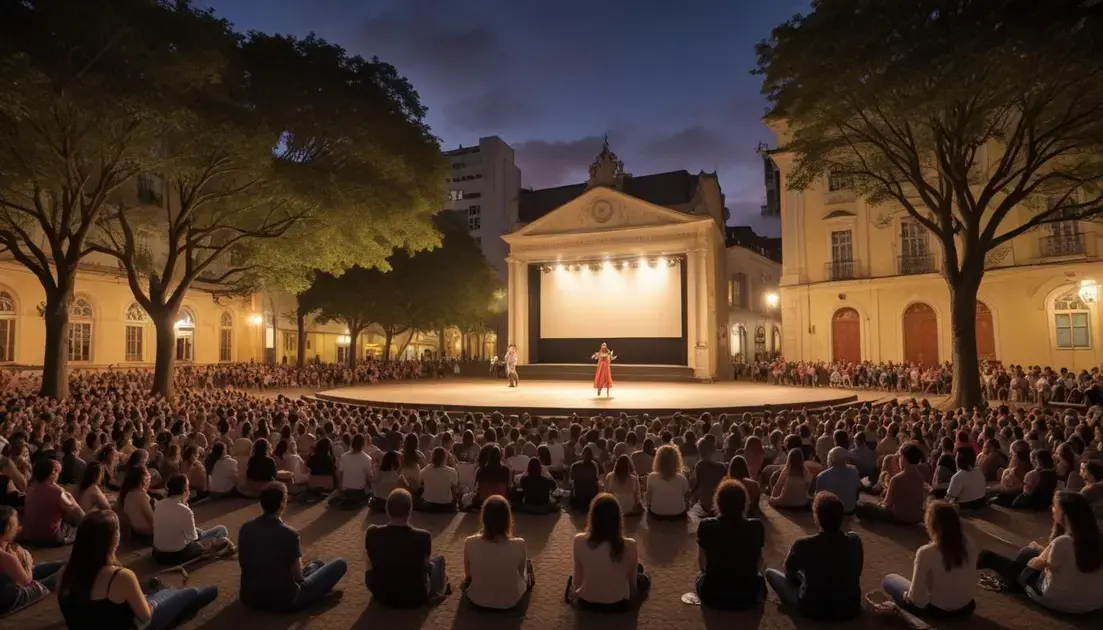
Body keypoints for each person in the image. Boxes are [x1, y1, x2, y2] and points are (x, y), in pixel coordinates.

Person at [56, 510, 218, 630]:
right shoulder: (120, 576)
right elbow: (146, 617)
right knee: (195, 593)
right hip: (138, 624)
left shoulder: (65, 573)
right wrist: (151, 603)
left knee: (160, 591)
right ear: (113, 539)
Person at [977, 490, 1103, 614]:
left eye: (1055, 507)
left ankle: (993, 566)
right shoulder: (1096, 538)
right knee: (1030, 551)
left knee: (1015, 557)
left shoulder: (1062, 543)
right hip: (1093, 602)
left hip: (1060, 601)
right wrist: (1041, 550)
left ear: (1064, 514)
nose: (1051, 509)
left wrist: (1041, 553)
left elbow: (1033, 564)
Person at [238, 482, 347, 612]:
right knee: (340, 564)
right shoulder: (289, 534)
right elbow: (298, 577)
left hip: (250, 598)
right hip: (285, 600)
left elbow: (244, 562)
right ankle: (319, 594)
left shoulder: (246, 528)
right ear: (282, 504)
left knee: (317, 564)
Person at [765, 491, 863, 621]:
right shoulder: (854, 541)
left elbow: (789, 571)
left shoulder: (803, 544)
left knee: (770, 573)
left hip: (812, 609)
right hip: (850, 608)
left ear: (816, 517)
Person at [880, 501, 977, 618]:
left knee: (889, 580)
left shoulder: (927, 552)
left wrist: (906, 596)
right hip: (966, 607)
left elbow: (915, 598)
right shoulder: (970, 543)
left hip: (937, 610)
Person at [364, 488, 449, 607]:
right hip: (416, 597)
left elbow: (370, 559)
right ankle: (437, 590)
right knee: (439, 561)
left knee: (371, 559)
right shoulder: (423, 536)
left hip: (382, 596)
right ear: (410, 510)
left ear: (387, 509)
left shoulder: (372, 532)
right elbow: (425, 564)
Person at [568, 493, 650, 612]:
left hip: (587, 603)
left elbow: (577, 582)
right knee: (642, 576)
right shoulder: (630, 544)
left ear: (593, 517)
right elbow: (632, 585)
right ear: (618, 518)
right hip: (619, 604)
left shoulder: (579, 540)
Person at [695, 480, 766, 610]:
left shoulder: (706, 525)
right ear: (744, 503)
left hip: (713, 596)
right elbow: (759, 562)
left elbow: (702, 562)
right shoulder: (756, 526)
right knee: (762, 575)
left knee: (699, 577)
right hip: (748, 597)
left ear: (718, 502)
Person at [462, 496, 534, 610]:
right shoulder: (520, 544)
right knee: (527, 566)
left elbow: (468, 576)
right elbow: (520, 575)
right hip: (511, 601)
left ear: (484, 518)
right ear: (507, 519)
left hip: (478, 599)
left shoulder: (469, 542)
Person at [152, 475, 233, 566]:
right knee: (222, 534)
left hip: (158, 553)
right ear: (185, 490)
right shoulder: (185, 511)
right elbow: (192, 538)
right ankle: (209, 550)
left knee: (217, 530)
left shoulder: (159, 504)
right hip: (177, 555)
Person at [0, 505, 63, 615]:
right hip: (10, 598)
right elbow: (27, 582)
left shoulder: (6, 549)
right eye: (16, 524)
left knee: (62, 564)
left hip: (7, 587)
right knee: (63, 572)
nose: (19, 527)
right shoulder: (6, 557)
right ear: (8, 528)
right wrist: (27, 560)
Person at [855, 443, 925, 524]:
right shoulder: (920, 477)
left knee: (863, 506)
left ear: (904, 458)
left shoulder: (897, 479)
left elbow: (887, 504)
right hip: (915, 517)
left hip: (899, 517)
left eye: (900, 456)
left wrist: (878, 505)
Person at [21, 458, 83, 545]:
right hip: (50, 538)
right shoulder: (57, 492)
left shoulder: (30, 489)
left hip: (30, 535)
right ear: (53, 472)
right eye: (58, 472)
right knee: (78, 529)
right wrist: (70, 497)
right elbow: (77, 513)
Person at [646, 444, 690, 519]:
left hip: (657, 513)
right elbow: (686, 498)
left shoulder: (651, 477)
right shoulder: (682, 478)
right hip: (678, 513)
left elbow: (649, 498)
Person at [815, 447, 861, 514]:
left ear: (830, 459)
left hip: (830, 512)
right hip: (850, 509)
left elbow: (819, 497)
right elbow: (857, 490)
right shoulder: (854, 471)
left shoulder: (822, 476)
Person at [333, 434, 373, 508]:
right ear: (363, 444)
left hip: (346, 492)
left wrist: (340, 489)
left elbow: (340, 475)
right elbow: (370, 478)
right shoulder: (367, 459)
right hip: (359, 492)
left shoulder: (343, 457)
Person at [418, 447, 459, 512]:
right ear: (445, 458)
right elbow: (455, 487)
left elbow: (419, 483)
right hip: (446, 505)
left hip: (428, 505)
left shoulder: (425, 470)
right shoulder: (451, 471)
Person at [568, 445, 601, 512]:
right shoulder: (594, 465)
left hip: (578, 494)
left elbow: (571, 480)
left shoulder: (574, 465)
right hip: (591, 494)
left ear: (582, 454)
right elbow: (597, 478)